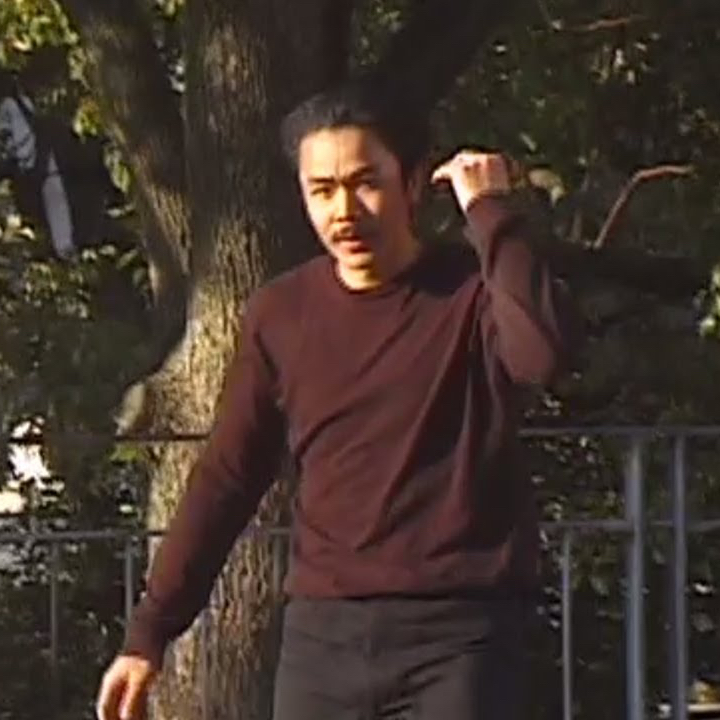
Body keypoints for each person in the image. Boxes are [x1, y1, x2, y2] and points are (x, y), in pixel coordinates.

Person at [96, 84, 577, 720]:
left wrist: (491, 213)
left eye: (365, 183)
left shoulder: (472, 293)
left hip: (462, 638)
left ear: (412, 182)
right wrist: (149, 633)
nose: (343, 211)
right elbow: (228, 478)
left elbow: (541, 356)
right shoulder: (281, 313)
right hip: (323, 642)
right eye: (321, 190)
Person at [0, 69, 75, 259]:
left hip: (37, 167)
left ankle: (62, 252)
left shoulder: (14, 106)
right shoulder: (19, 104)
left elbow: (24, 146)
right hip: (34, 168)